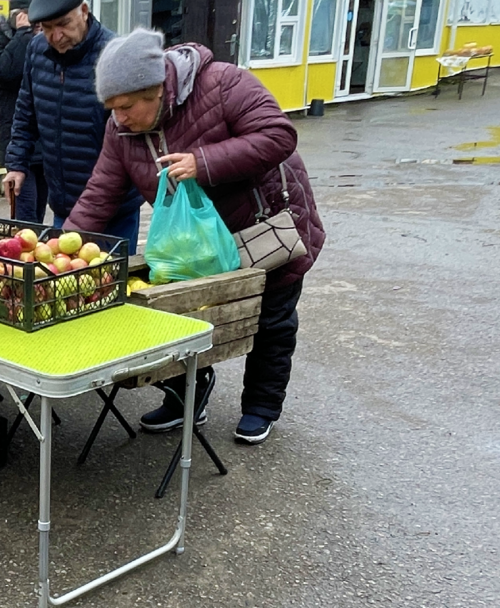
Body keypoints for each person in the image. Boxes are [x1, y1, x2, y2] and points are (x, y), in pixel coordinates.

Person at [65, 28, 326, 444]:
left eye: (127, 107)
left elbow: (279, 135)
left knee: (271, 319)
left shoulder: (222, 83)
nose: (119, 119)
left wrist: (203, 161)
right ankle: (187, 399)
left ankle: (261, 405)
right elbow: (100, 193)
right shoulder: (122, 129)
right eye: (112, 109)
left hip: (263, 225)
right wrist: (60, 250)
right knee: (183, 317)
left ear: (156, 89)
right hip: (194, 244)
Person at [2, 0, 143, 249]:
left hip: (114, 208)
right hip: (64, 203)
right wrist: (16, 164)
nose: (56, 36)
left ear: (84, 12)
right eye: (47, 28)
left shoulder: (115, 55)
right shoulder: (36, 50)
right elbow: (25, 111)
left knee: (109, 285)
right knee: (64, 285)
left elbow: (131, 138)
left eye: (64, 24)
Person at [0, 0, 47, 223]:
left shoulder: (42, 44)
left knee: (39, 212)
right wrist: (23, 34)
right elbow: (8, 71)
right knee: (25, 214)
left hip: (43, 144)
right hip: (15, 145)